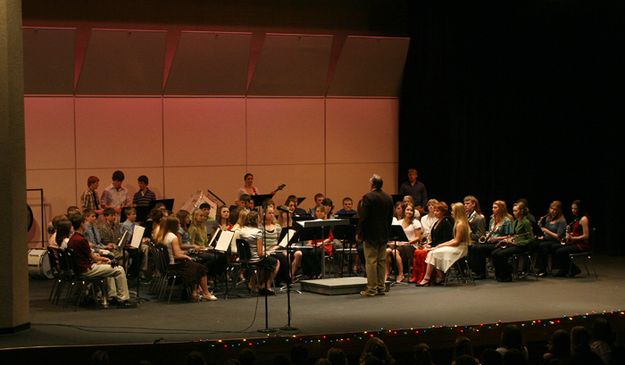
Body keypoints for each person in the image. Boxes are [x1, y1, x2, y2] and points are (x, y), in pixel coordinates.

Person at [67, 213, 135, 308]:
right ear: (81, 224)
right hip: (87, 270)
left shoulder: (72, 239)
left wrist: (102, 261)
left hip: (80, 268)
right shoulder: (81, 240)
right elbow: (93, 257)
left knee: (109, 269)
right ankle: (123, 299)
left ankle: (112, 296)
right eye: (85, 223)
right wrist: (104, 259)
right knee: (119, 269)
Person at [159, 216, 216, 301]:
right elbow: (178, 254)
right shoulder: (173, 237)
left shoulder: (165, 235)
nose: (179, 225)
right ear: (174, 225)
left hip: (167, 265)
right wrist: (188, 256)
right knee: (201, 268)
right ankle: (206, 293)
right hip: (174, 266)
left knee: (195, 266)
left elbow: (174, 252)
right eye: (178, 223)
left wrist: (188, 252)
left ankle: (196, 291)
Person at [357, 174, 394, 297]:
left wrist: (360, 233)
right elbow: (389, 219)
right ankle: (380, 287)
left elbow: (364, 218)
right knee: (381, 261)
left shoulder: (368, 197)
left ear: (372, 184)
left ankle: (371, 289)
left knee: (371, 261)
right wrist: (387, 232)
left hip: (370, 234)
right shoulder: (388, 198)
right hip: (383, 233)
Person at [417, 202, 469, 286]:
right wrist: (439, 246)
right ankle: (439, 276)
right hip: (457, 246)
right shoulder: (458, 223)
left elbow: (456, 242)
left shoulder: (460, 224)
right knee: (433, 252)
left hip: (460, 248)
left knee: (433, 252)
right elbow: (454, 240)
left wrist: (441, 245)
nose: (451, 212)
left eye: (453, 211)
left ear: (457, 212)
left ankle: (427, 278)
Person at [238, 211, 280, 295]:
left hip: (245, 259)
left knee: (263, 263)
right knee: (276, 262)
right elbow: (260, 254)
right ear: (256, 220)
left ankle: (252, 284)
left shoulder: (242, 231)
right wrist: (267, 253)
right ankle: (266, 285)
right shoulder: (258, 232)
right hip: (255, 259)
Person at [491, 200, 534, 282]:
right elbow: (513, 235)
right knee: (494, 253)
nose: (514, 212)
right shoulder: (515, 221)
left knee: (501, 254)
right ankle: (499, 275)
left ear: (521, 211)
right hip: (515, 244)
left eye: (515, 211)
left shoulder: (526, 222)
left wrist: (517, 242)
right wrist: (507, 240)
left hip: (523, 246)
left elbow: (531, 239)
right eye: (513, 210)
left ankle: (507, 276)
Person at [469, 200, 513, 280]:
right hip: (492, 242)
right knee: (474, 247)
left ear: (501, 209)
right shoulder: (492, 219)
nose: (493, 209)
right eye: (493, 207)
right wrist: (487, 236)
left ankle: (481, 273)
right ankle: (479, 272)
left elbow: (509, 236)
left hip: (501, 243)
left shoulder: (507, 221)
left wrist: (496, 238)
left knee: (479, 248)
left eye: (495, 207)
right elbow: (490, 232)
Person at [552, 200, 591, 277]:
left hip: (582, 245)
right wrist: (569, 233)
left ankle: (573, 269)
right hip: (575, 242)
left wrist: (573, 238)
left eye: (575, 208)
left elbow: (586, 236)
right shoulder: (577, 218)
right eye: (572, 208)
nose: (573, 210)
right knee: (554, 247)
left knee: (560, 251)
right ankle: (565, 269)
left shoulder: (583, 219)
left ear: (580, 209)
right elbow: (577, 232)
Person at [387, 202, 422, 282]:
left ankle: (401, 274)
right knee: (387, 251)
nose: (409, 212)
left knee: (395, 252)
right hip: (400, 245)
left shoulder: (416, 222)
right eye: (407, 210)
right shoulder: (399, 222)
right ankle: (387, 274)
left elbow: (418, 238)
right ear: (404, 211)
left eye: (411, 210)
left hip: (411, 246)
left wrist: (408, 242)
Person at [535, 200, 568, 277]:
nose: (553, 211)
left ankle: (543, 270)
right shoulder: (548, 218)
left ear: (559, 211)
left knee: (542, 246)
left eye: (556, 210)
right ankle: (542, 269)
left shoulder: (562, 221)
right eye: (552, 209)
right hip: (548, 240)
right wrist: (540, 230)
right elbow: (545, 232)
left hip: (557, 241)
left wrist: (545, 230)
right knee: (538, 245)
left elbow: (558, 236)